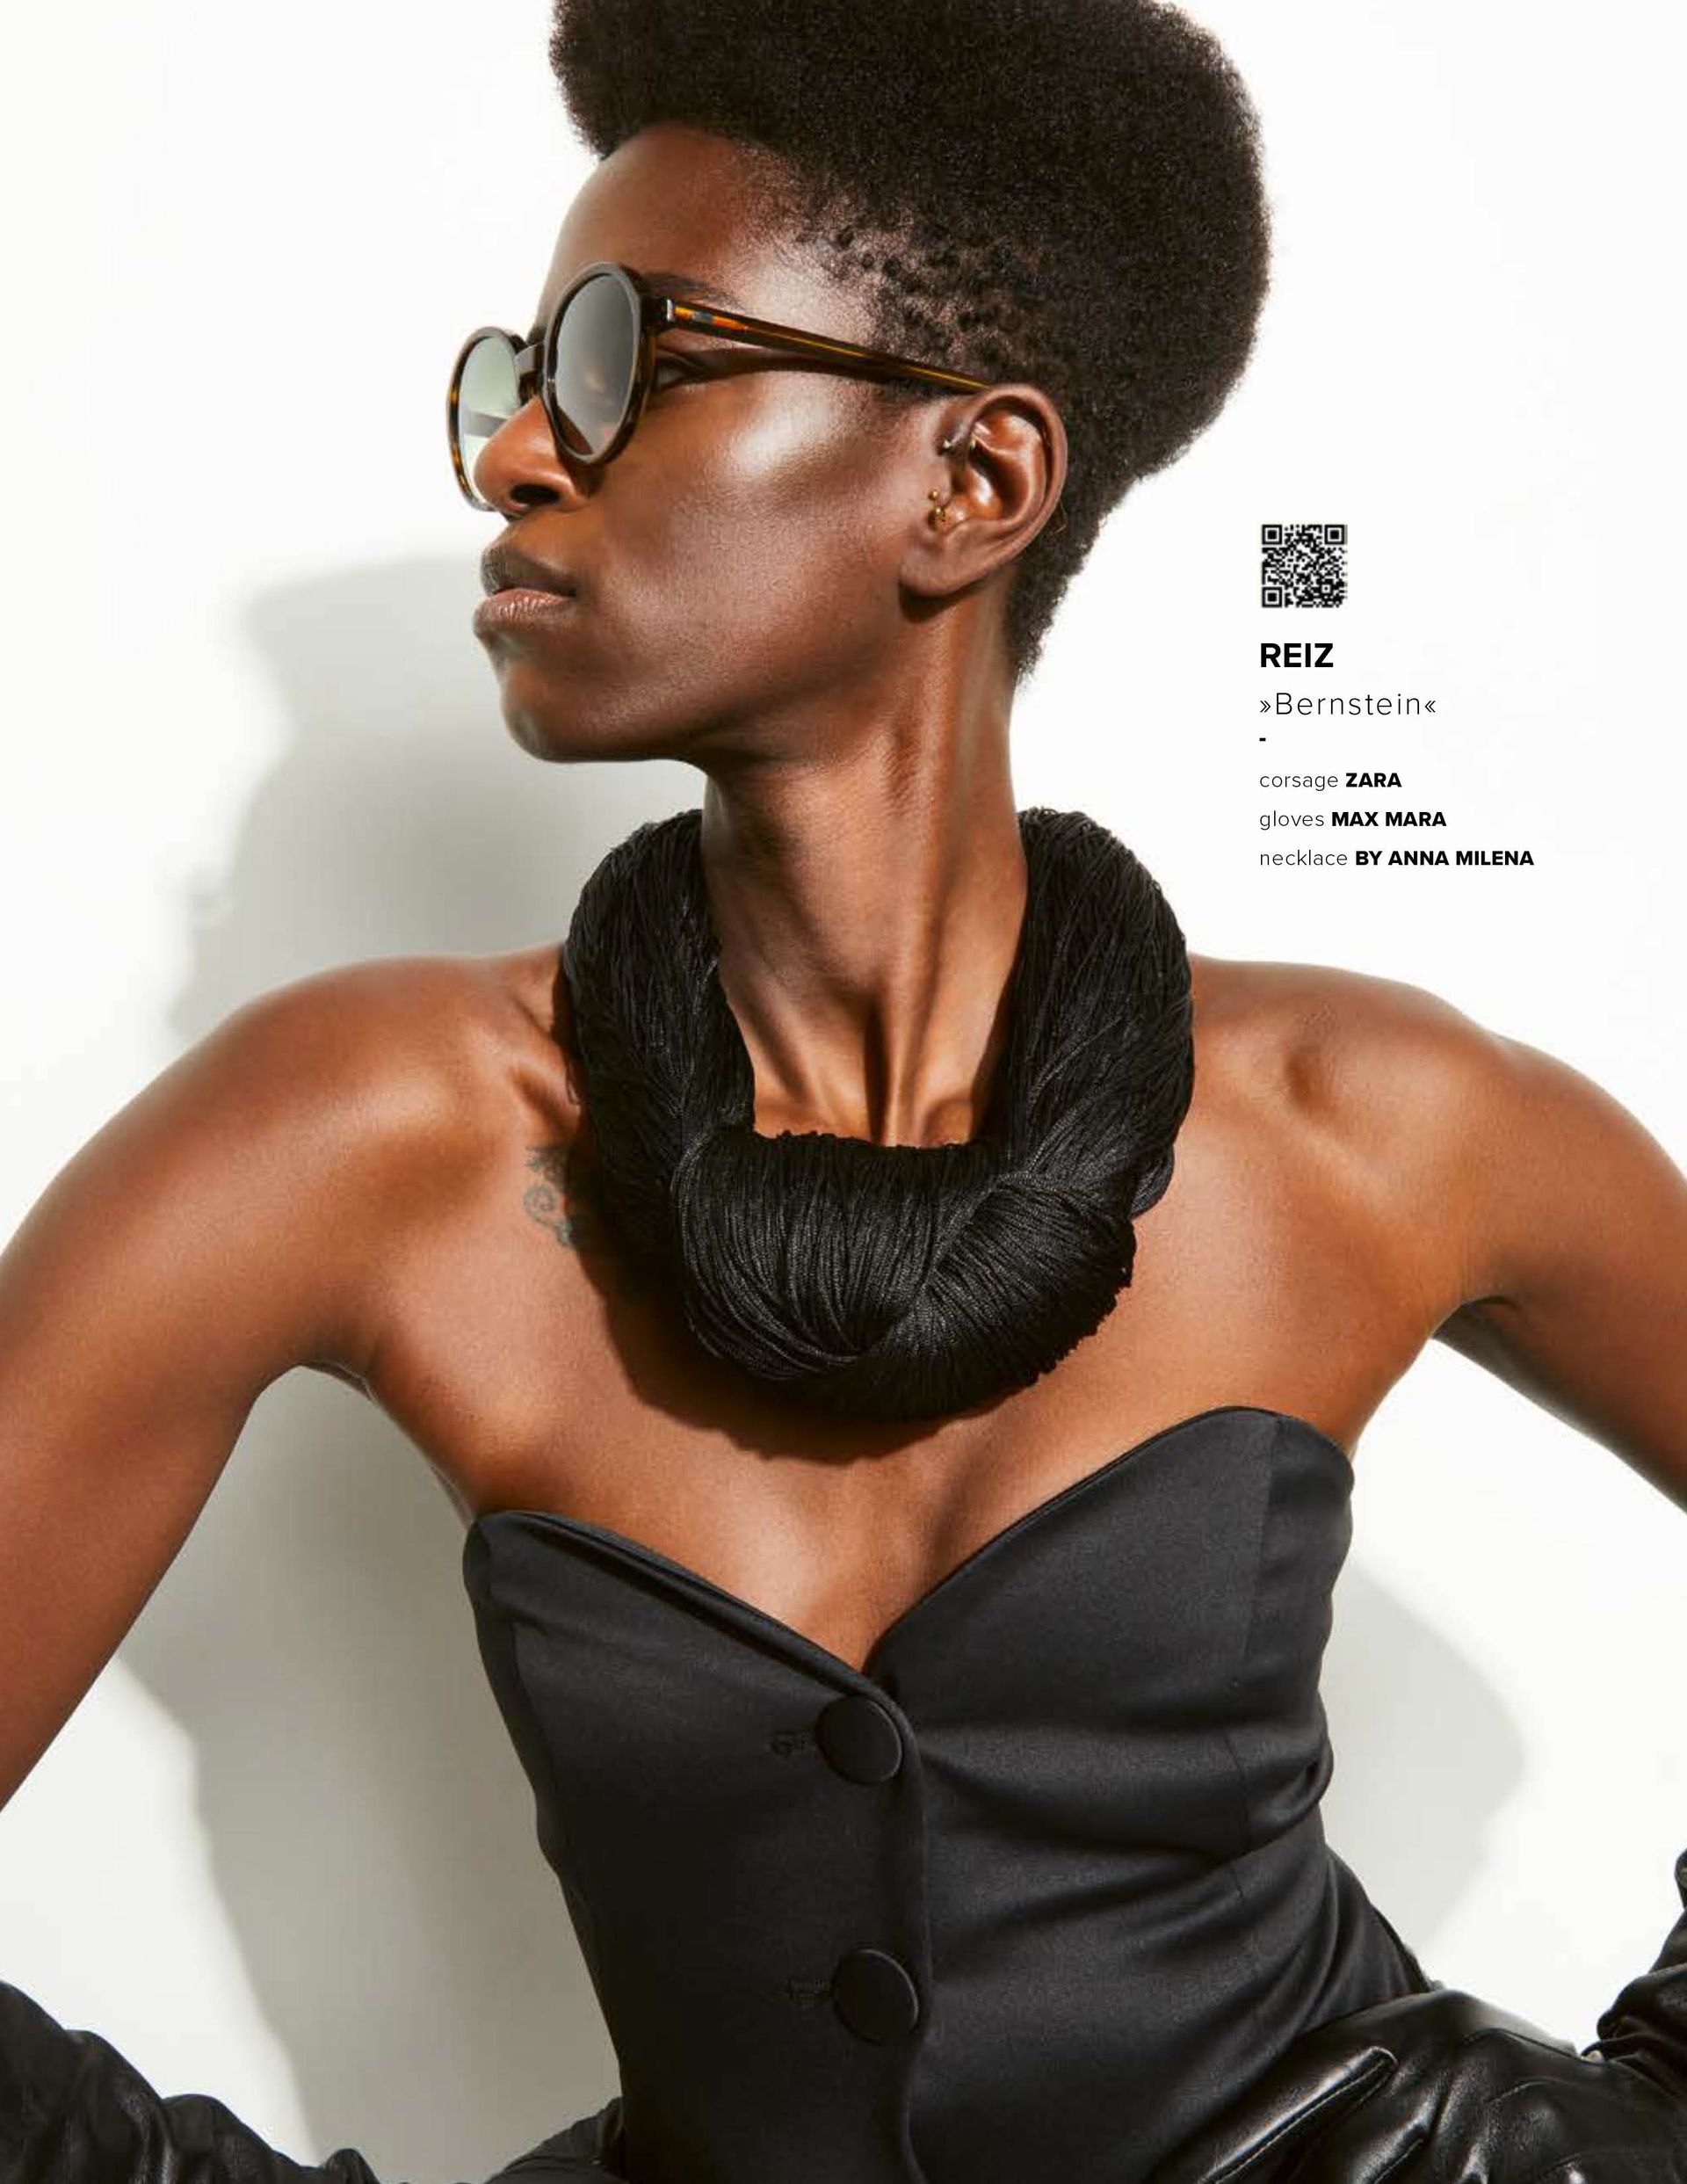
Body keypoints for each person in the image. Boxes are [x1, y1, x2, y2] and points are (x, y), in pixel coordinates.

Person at [4, 0, 1685, 2178]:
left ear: (972, 483)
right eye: (517, 383)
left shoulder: (1377, 1121)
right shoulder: (364, 1132)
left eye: (616, 360)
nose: (516, 460)